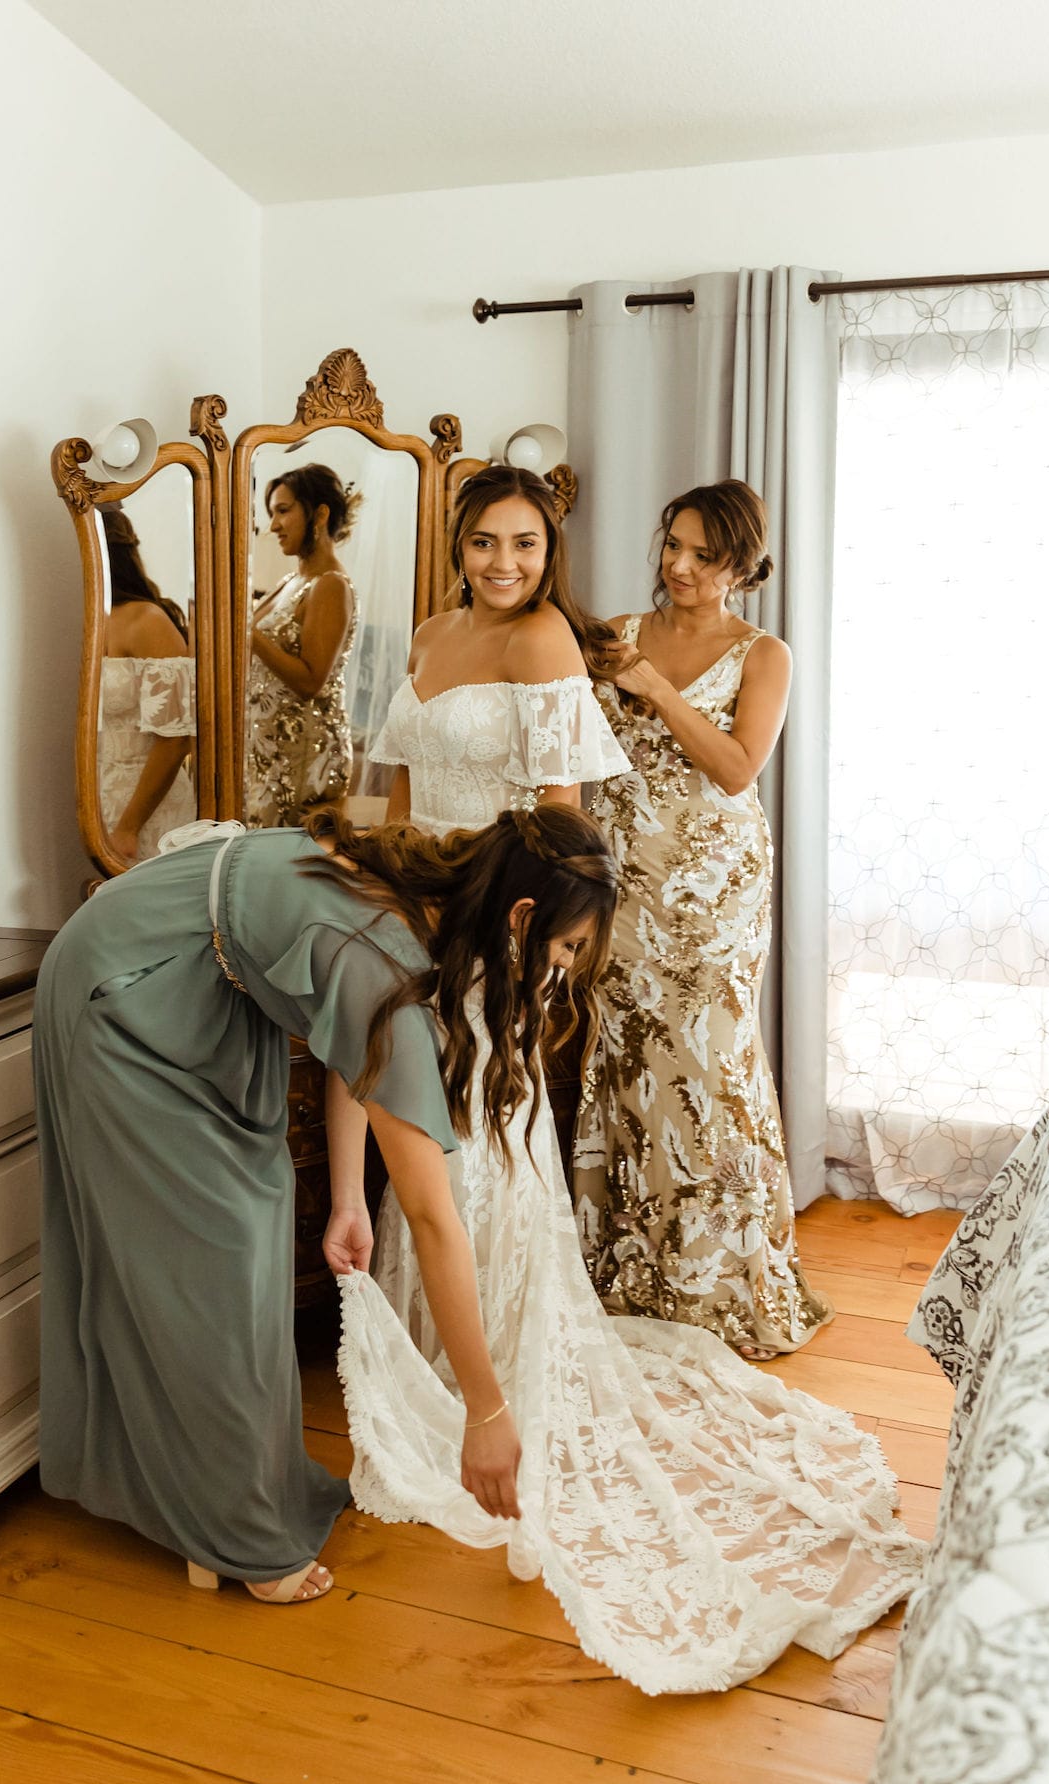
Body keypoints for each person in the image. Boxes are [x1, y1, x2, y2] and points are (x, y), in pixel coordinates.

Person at [341, 472, 918, 1695]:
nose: (681, 570)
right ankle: (517, 1303)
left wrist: (519, 928)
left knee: (618, 1097)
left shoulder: (635, 642)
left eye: (527, 542)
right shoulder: (481, 633)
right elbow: (393, 779)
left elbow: (633, 794)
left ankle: (621, 1304)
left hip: (594, 895)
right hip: (477, 903)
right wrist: (370, 872)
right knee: (555, 1099)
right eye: (671, 549)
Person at [34, 803, 616, 1605]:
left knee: (256, 1223)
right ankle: (232, 1532)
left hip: (194, 986)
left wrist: (346, 1197)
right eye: (568, 948)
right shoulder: (380, 951)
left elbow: (353, 1042)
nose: (561, 972)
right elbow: (432, 1215)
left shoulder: (416, 904)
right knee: (217, 1254)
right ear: (522, 916)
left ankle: (241, 1488)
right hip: (125, 990)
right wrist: (485, 1411)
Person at [573, 479, 833, 1359]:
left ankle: (722, 1276)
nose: (679, 566)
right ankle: (632, 1265)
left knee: (708, 1063)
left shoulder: (765, 654)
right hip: (619, 879)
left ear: (742, 565)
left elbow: (735, 767)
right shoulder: (610, 637)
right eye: (672, 545)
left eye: (703, 555)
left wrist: (653, 688)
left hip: (712, 889)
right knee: (626, 1057)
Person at [375, 463, 629, 830]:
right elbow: (407, 776)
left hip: (497, 875)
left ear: (548, 552)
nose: (504, 563)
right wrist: (387, 867)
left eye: (524, 544)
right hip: (414, 871)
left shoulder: (540, 638)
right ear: (459, 547)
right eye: (483, 542)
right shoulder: (429, 634)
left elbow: (560, 801)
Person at [245, 463, 359, 827]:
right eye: (272, 514)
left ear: (320, 514)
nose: (274, 525)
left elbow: (312, 682)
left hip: (303, 758)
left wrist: (249, 637)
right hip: (269, 751)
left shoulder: (330, 585)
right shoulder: (290, 580)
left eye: (282, 511)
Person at [98, 505, 196, 864]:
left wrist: (129, 826)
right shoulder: (84, 618)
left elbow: (175, 739)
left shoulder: (148, 621)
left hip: (145, 811)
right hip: (96, 803)